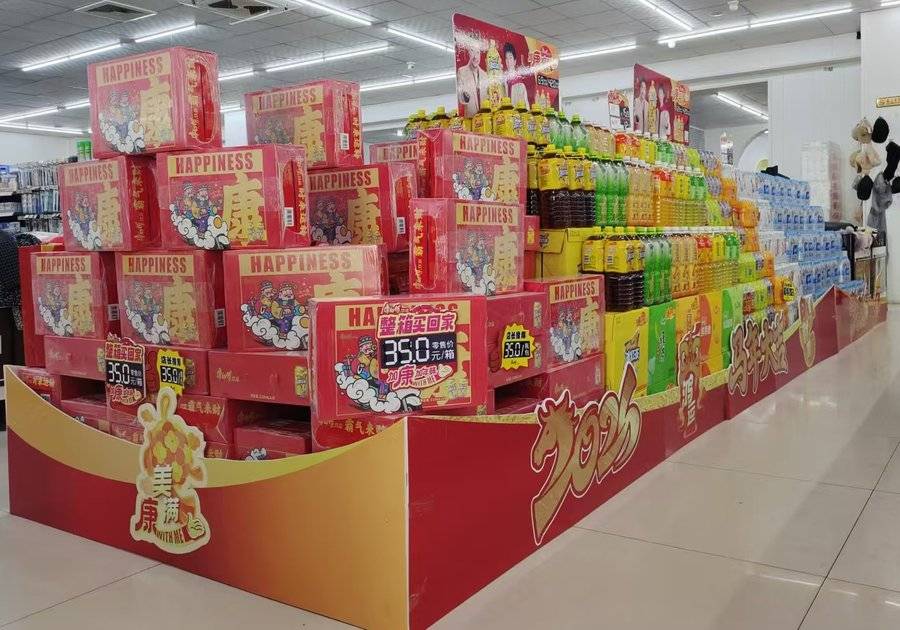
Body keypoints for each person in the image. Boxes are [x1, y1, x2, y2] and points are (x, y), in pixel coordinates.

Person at [457, 39, 486, 118]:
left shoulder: (485, 75)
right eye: (472, 51)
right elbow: (461, 99)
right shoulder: (461, 72)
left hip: (485, 118)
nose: (475, 57)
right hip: (471, 120)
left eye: (478, 52)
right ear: (468, 54)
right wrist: (464, 95)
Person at [504, 42, 529, 108]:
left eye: (510, 58)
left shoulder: (520, 84)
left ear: (515, 61)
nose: (508, 61)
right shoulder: (503, 80)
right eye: (506, 58)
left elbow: (526, 106)